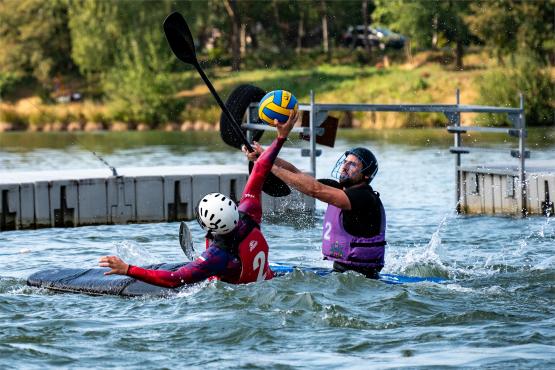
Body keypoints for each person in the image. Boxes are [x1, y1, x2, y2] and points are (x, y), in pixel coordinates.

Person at [99, 110, 299, 287]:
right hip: (267, 281)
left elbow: (174, 280)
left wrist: (128, 269)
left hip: (238, 293)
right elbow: (260, 169)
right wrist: (281, 137)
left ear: (209, 228)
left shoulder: (218, 256)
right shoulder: (250, 211)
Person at [244, 143, 386, 279]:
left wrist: (270, 166)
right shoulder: (338, 189)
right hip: (340, 272)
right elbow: (296, 173)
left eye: (353, 164)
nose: (345, 167)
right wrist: (265, 156)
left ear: (366, 175)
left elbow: (315, 190)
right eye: (345, 162)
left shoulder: (364, 197)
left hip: (363, 276)